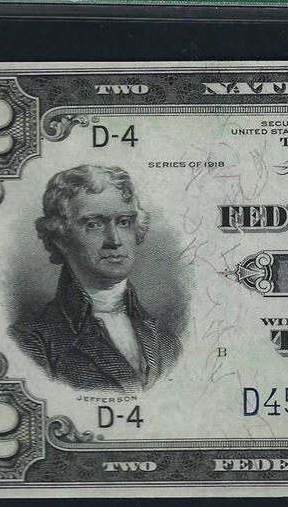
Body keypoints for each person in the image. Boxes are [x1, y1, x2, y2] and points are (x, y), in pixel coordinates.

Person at [10, 165, 180, 392]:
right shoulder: (31, 342)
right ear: (61, 238)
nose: (115, 240)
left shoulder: (166, 342)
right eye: (94, 224)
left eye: (124, 222)